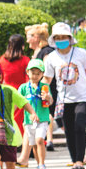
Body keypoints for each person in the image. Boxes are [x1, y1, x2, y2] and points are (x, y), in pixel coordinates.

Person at [42, 22, 86, 169]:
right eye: (57, 37)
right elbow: (47, 79)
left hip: (83, 97)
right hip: (63, 99)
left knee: (79, 126)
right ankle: (74, 160)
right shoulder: (51, 58)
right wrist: (44, 92)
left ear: (70, 38)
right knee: (69, 130)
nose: (61, 40)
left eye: (63, 37)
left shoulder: (81, 53)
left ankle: (79, 160)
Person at [17, 59, 52, 169]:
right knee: (33, 144)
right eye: (33, 73)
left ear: (42, 74)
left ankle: (42, 164)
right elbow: (17, 102)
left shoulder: (45, 87)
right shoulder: (23, 88)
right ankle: (39, 165)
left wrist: (48, 98)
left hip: (42, 118)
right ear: (27, 72)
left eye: (38, 73)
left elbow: (50, 101)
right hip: (28, 120)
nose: (35, 76)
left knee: (39, 140)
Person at [26, 23, 57, 151]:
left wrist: (42, 88)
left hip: (46, 87)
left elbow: (47, 71)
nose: (27, 40)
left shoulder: (46, 51)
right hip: (35, 88)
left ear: (36, 38)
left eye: (29, 37)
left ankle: (49, 140)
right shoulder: (37, 52)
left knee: (48, 111)